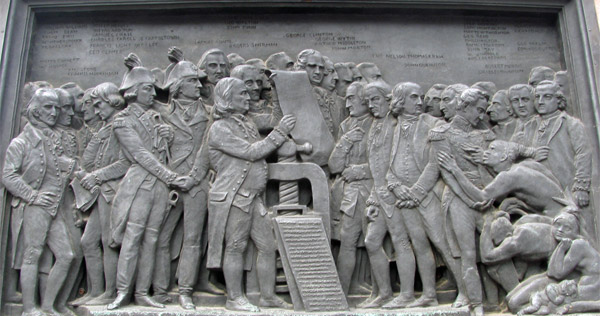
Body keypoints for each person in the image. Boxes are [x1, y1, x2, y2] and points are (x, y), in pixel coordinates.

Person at [206, 77, 296, 312]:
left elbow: (273, 121)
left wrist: (276, 89)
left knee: (267, 246)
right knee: (235, 246)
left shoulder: (245, 122)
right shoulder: (219, 128)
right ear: (227, 99)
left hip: (252, 198)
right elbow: (251, 152)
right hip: (234, 197)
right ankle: (234, 298)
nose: (249, 97)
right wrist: (279, 133)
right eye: (242, 94)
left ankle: (267, 296)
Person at [107, 54, 185, 309]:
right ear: (132, 92)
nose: (153, 93)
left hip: (159, 190)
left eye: (153, 87)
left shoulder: (157, 117)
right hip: (139, 186)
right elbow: (140, 156)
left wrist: (168, 136)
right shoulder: (122, 121)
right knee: (132, 239)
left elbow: (163, 152)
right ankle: (122, 292)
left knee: (152, 240)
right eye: (147, 88)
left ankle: (142, 293)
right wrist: (171, 177)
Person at [385, 82, 466, 308]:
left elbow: (435, 164)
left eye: (421, 97)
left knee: (444, 244)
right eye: (413, 97)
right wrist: (394, 185)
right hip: (403, 197)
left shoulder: (435, 125)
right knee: (419, 245)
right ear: (400, 100)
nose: (420, 101)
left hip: (427, 195)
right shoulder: (391, 128)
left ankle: (466, 292)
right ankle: (428, 295)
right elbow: (386, 163)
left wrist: (416, 192)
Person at [3, 88, 78, 316]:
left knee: (67, 256)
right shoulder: (21, 142)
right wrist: (33, 195)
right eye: (48, 107)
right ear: (35, 111)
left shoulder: (51, 137)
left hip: (53, 207)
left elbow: (55, 162)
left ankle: (48, 305)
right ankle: (29, 309)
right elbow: (8, 175)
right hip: (34, 207)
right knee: (32, 254)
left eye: (56, 107)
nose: (54, 112)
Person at [153, 58, 215, 309]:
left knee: (193, 238)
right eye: (192, 81)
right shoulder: (160, 114)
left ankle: (186, 290)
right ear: (178, 86)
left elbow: (212, 147)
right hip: (168, 183)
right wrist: (161, 140)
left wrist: (200, 176)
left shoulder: (210, 113)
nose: (199, 86)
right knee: (159, 237)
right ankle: (158, 289)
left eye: (200, 81)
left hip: (197, 183)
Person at [360, 81, 416, 308]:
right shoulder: (375, 125)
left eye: (375, 99)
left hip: (397, 194)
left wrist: (393, 189)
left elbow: (402, 162)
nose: (371, 105)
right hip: (381, 195)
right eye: (368, 101)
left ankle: (407, 294)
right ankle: (384, 293)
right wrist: (374, 196)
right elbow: (376, 167)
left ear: (388, 99)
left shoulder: (396, 125)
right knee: (372, 242)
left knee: (401, 242)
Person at [75, 82, 129, 305]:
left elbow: (125, 162)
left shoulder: (121, 125)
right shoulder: (106, 128)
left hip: (113, 192)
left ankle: (110, 293)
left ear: (112, 101)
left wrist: (97, 176)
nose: (96, 111)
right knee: (89, 242)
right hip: (101, 194)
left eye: (99, 105)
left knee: (109, 242)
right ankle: (95, 291)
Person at [328, 81, 373, 297]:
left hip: (375, 192)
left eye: (351, 98)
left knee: (376, 241)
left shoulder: (380, 123)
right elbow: (335, 166)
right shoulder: (346, 126)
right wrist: (345, 142)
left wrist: (359, 171)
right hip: (351, 194)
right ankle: (340, 293)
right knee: (347, 240)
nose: (347, 104)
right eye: (345, 98)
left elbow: (394, 162)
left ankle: (383, 292)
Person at [507, 209, 600, 313]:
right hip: (573, 281)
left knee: (514, 303)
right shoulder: (566, 242)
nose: (560, 230)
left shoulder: (578, 245)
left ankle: (538, 310)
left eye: (567, 228)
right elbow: (551, 272)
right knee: (509, 298)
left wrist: (561, 248)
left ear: (575, 232)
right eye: (557, 225)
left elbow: (555, 274)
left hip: (588, 289)